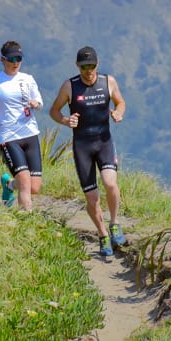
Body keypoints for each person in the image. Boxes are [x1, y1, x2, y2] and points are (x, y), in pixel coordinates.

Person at [49, 46, 126, 257]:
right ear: (77, 66)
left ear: (97, 64)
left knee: (110, 183)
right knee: (92, 198)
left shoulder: (108, 81)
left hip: (104, 142)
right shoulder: (70, 86)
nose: (88, 70)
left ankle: (115, 223)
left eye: (91, 66)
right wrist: (65, 120)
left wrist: (118, 113)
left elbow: (120, 102)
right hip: (82, 146)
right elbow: (54, 110)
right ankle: (102, 236)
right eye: (84, 67)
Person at [0, 40, 44, 211]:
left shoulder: (28, 79)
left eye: (18, 59)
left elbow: (40, 102)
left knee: (34, 187)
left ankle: (9, 185)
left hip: (30, 134)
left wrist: (36, 104)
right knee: (25, 181)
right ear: (2, 59)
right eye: (11, 59)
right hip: (9, 137)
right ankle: (27, 223)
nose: (15, 63)